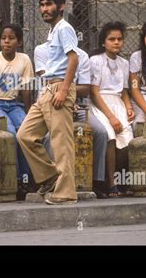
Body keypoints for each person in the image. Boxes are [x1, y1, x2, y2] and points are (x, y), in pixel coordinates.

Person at [17, 0, 79, 205]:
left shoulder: (64, 28)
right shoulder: (53, 31)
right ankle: (49, 176)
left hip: (59, 88)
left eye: (49, 4)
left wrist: (63, 90)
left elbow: (74, 59)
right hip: (47, 90)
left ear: (61, 6)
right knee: (24, 135)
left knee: (61, 143)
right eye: (42, 5)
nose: (44, 9)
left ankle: (65, 193)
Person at [35, 43, 109, 199]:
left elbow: (85, 88)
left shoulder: (80, 55)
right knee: (51, 138)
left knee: (101, 132)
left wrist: (68, 95)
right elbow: (47, 82)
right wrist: (67, 93)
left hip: (79, 105)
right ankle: (51, 179)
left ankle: (96, 181)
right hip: (50, 103)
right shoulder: (42, 51)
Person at [0, 23, 34, 200]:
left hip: (14, 104)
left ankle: (26, 179)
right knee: (10, 134)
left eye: (11, 38)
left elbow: (26, 89)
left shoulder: (24, 59)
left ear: (18, 41)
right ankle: (16, 180)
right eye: (3, 38)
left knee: (24, 133)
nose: (6, 42)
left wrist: (29, 113)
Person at [89, 21, 134, 197]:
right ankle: (111, 184)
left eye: (119, 39)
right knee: (110, 136)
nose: (116, 42)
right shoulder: (96, 61)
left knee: (128, 139)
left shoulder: (124, 63)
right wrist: (111, 117)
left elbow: (123, 90)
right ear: (103, 42)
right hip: (101, 105)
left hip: (119, 104)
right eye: (111, 39)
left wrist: (129, 107)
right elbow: (93, 92)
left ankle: (124, 182)